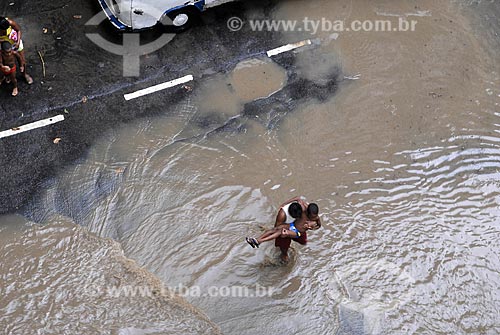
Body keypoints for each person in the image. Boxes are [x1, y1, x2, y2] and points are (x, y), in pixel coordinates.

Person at [274, 196, 322, 262]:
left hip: (299, 231)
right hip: (287, 230)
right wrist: (284, 204)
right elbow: (277, 227)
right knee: (284, 245)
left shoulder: (312, 214)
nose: (314, 218)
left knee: (303, 242)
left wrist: (312, 228)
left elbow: (318, 225)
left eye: (315, 216)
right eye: (311, 217)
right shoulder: (283, 214)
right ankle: (284, 254)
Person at [0, 16, 33, 84]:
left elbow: (18, 30)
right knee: (5, 62)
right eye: (3, 31)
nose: (5, 32)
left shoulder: (10, 22)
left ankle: (24, 74)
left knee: (22, 60)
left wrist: (18, 42)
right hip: (3, 46)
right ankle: (7, 75)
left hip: (14, 42)